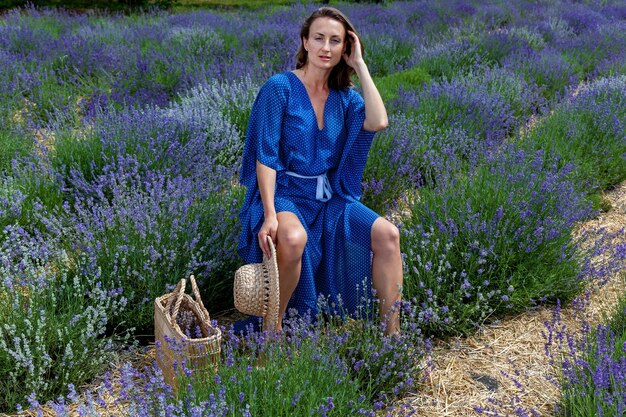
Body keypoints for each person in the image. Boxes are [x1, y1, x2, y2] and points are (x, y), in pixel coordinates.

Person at [236, 6, 403, 335]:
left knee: (389, 235)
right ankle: (273, 331)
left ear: (346, 48)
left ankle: (392, 336)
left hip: (329, 197)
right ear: (305, 43)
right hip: (285, 193)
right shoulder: (279, 88)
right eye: (319, 38)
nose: (326, 47)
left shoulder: (345, 98)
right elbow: (265, 154)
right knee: (294, 239)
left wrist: (361, 65)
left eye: (336, 41)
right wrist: (270, 213)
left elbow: (378, 121)